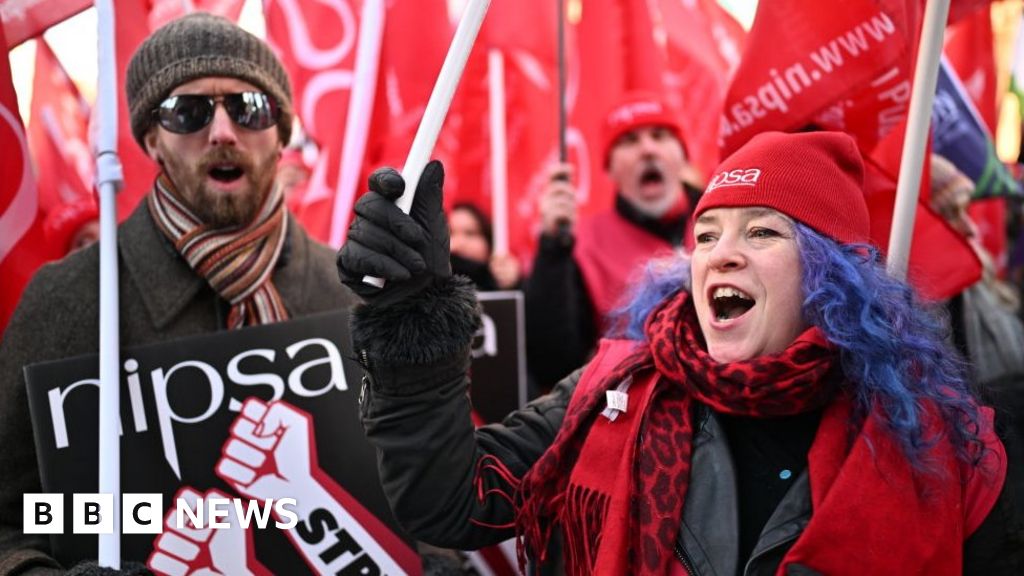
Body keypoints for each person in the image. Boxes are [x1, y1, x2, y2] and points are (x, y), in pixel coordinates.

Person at [338, 131, 1023, 574]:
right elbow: (450, 503)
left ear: (829, 276)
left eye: (762, 232)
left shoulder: (939, 447)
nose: (721, 253)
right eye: (706, 236)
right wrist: (412, 327)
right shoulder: (611, 389)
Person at [0, 13, 355, 575]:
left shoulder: (351, 296)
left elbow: (415, 494)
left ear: (282, 134)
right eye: (187, 112)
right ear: (151, 140)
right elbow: (11, 520)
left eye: (248, 108)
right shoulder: (69, 299)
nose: (221, 131)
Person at [526, 92, 700, 390]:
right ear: (610, 168)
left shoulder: (728, 216)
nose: (647, 150)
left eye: (659, 136)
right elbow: (552, 362)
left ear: (683, 154)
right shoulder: (583, 243)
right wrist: (553, 248)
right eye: (629, 141)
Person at [449, 202, 522, 291]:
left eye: (470, 233)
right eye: (450, 233)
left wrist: (514, 284)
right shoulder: (433, 283)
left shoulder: (507, 284)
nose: (458, 242)